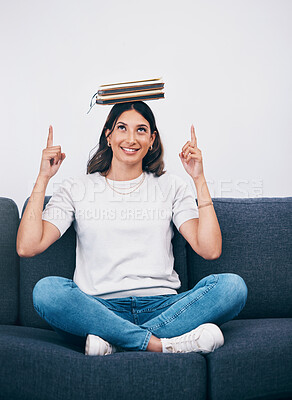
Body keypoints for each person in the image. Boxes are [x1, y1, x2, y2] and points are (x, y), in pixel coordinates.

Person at [16, 101, 248, 356]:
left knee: (232, 287)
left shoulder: (170, 186)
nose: (131, 138)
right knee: (46, 291)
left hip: (164, 306)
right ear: (109, 135)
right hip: (98, 309)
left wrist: (198, 178)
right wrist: (43, 177)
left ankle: (115, 342)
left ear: (152, 139)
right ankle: (158, 344)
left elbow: (210, 249)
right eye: (122, 128)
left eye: (141, 130)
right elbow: (28, 246)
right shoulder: (76, 188)